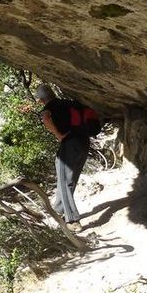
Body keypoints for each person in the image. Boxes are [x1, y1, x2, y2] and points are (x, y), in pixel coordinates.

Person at [35, 83, 91, 232]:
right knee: (69, 178)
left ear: (41, 100)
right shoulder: (67, 103)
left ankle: (72, 220)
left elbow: (46, 118)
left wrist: (59, 135)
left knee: (65, 181)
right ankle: (59, 209)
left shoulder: (49, 108)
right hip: (84, 142)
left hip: (69, 144)